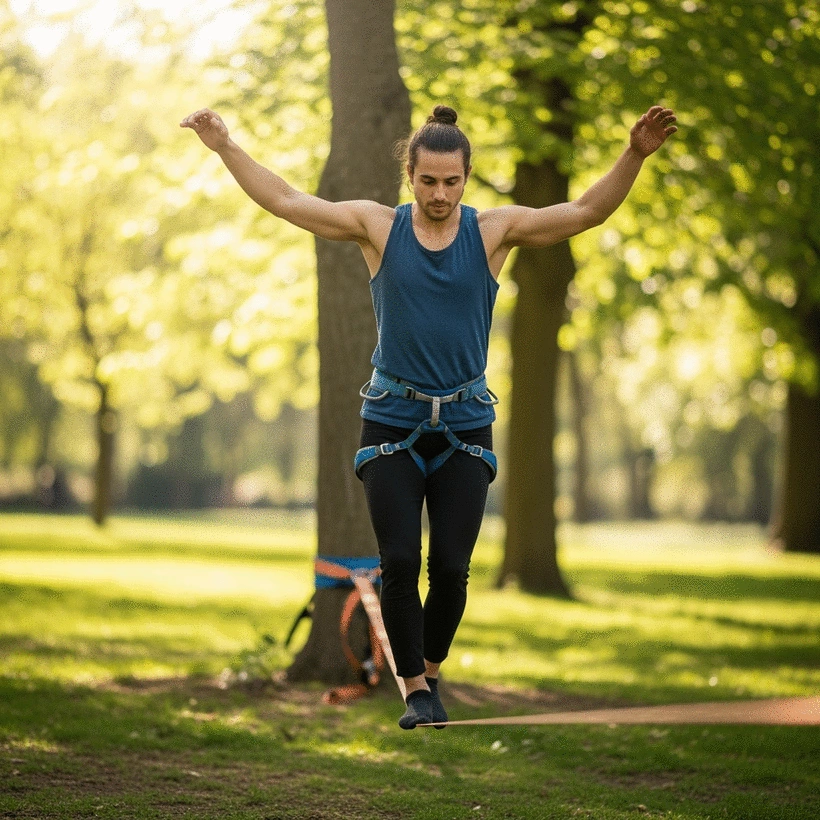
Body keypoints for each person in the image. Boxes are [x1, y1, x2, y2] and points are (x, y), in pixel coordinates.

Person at [181, 102, 677, 729]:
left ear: (467, 177)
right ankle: (414, 687)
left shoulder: (493, 231)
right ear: (408, 175)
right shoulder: (377, 227)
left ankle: (431, 670)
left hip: (466, 423)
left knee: (450, 568)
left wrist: (633, 154)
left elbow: (583, 212)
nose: (440, 194)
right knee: (398, 562)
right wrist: (225, 145)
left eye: (452, 181)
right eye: (428, 181)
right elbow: (286, 200)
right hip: (391, 421)